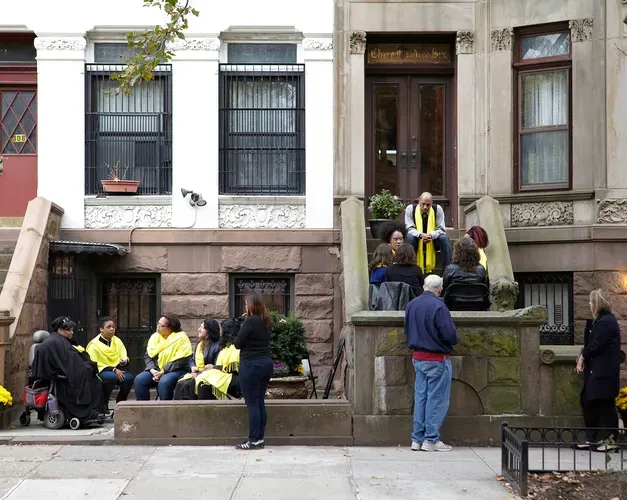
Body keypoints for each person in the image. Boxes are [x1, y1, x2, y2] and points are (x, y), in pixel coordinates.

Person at [405, 275, 458, 452]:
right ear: (440, 290)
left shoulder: (411, 305)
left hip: (418, 358)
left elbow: (407, 329)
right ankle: (431, 439)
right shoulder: (439, 306)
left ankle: (416, 439)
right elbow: (451, 335)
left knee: (420, 397)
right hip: (437, 358)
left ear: (423, 286)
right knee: (437, 400)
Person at [30, 316, 104, 421]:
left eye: (72, 330)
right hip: (62, 379)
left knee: (95, 381)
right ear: (60, 330)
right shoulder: (52, 343)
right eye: (69, 330)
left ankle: (96, 411)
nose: (72, 332)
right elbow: (59, 364)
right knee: (92, 382)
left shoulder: (61, 340)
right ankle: (86, 413)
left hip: (69, 373)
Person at [576, 289, 621, 451]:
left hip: (604, 373)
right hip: (597, 372)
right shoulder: (599, 321)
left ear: (597, 304)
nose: (589, 305)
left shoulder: (606, 322)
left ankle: (611, 441)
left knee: (606, 405)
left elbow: (596, 345)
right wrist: (583, 354)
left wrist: (582, 356)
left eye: (591, 302)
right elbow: (591, 342)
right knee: (588, 401)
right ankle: (592, 439)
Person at [234, 292, 274, 450]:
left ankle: (253, 440)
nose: (245, 307)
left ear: (251, 306)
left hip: (251, 365)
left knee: (251, 404)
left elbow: (238, 343)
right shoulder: (266, 321)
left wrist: (243, 323)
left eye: (246, 304)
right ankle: (260, 438)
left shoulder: (250, 321)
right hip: (266, 364)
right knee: (259, 402)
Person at [134, 315, 193, 401]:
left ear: (170, 328)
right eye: (157, 324)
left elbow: (181, 361)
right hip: (156, 370)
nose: (158, 327)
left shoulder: (181, 338)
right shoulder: (155, 337)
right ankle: (144, 410)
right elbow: (148, 356)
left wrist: (163, 372)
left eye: (161, 325)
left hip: (176, 370)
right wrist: (152, 370)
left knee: (164, 382)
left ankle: (165, 410)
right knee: (139, 380)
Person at [86, 317, 134, 415]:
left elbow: (123, 355)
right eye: (108, 327)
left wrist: (123, 362)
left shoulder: (117, 341)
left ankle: (120, 404)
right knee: (111, 377)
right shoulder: (94, 345)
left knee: (129, 378)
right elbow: (95, 364)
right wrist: (113, 369)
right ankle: (104, 402)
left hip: (117, 370)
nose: (112, 329)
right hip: (101, 371)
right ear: (101, 329)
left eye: (113, 327)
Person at [195, 317, 243, 400]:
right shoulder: (225, 346)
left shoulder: (235, 347)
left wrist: (213, 367)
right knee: (202, 382)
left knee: (204, 385)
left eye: (222, 330)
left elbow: (232, 369)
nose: (220, 332)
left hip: (236, 379)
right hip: (225, 375)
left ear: (227, 331)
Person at [174, 318, 222, 400]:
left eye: (202, 328)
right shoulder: (199, 344)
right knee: (181, 382)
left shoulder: (218, 346)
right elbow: (192, 359)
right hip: (197, 373)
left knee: (191, 383)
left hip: (209, 377)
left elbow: (216, 367)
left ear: (209, 331)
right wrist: (193, 367)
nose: (198, 329)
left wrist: (199, 374)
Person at [404, 192, 452, 273]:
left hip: (433, 240)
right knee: (409, 237)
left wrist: (431, 235)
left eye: (428, 204)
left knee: (444, 238)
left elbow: (442, 229)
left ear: (432, 203)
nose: (425, 207)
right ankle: (408, 269)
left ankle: (448, 271)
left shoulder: (438, 209)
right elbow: (409, 228)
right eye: (423, 204)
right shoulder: (410, 209)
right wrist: (420, 235)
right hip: (416, 239)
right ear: (419, 201)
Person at [442, 238, 490, 309]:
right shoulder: (481, 269)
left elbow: (444, 288)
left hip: (454, 305)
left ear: (457, 252)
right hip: (478, 305)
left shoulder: (450, 269)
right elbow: (485, 288)